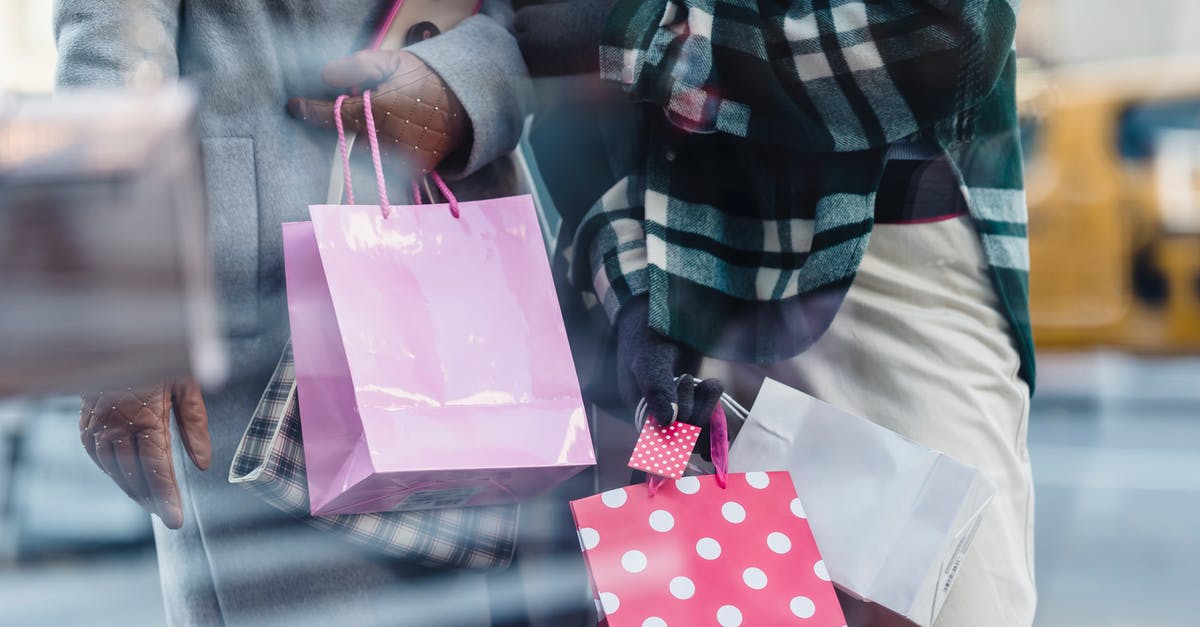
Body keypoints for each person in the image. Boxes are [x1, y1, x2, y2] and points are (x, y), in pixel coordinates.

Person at [519, 1, 1037, 625]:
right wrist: (636, 296)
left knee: (955, 600)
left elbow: (951, 31)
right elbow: (574, 119)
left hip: (887, 269)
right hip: (674, 275)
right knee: (675, 594)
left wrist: (636, 30)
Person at [58, 2, 531, 625]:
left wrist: (467, 82)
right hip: (263, 297)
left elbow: (543, 21)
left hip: (464, 257)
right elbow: (113, 37)